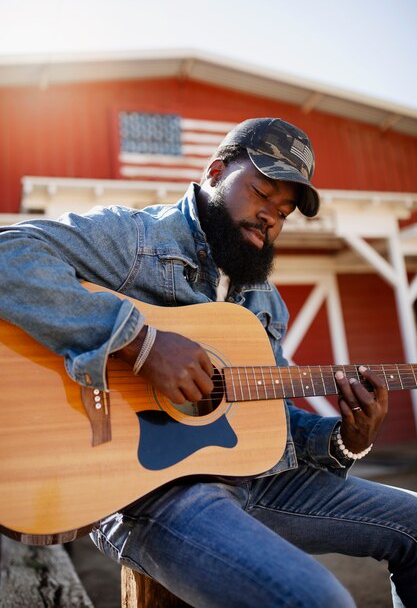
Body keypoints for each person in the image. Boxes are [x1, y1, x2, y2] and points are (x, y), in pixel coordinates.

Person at [0, 117, 416, 608]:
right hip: (152, 496)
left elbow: (269, 420)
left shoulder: (265, 301)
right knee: (317, 599)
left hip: (258, 484)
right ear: (216, 171)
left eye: (284, 212)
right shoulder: (137, 240)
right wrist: (140, 342)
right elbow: (10, 253)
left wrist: (345, 441)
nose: (271, 219)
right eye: (263, 194)